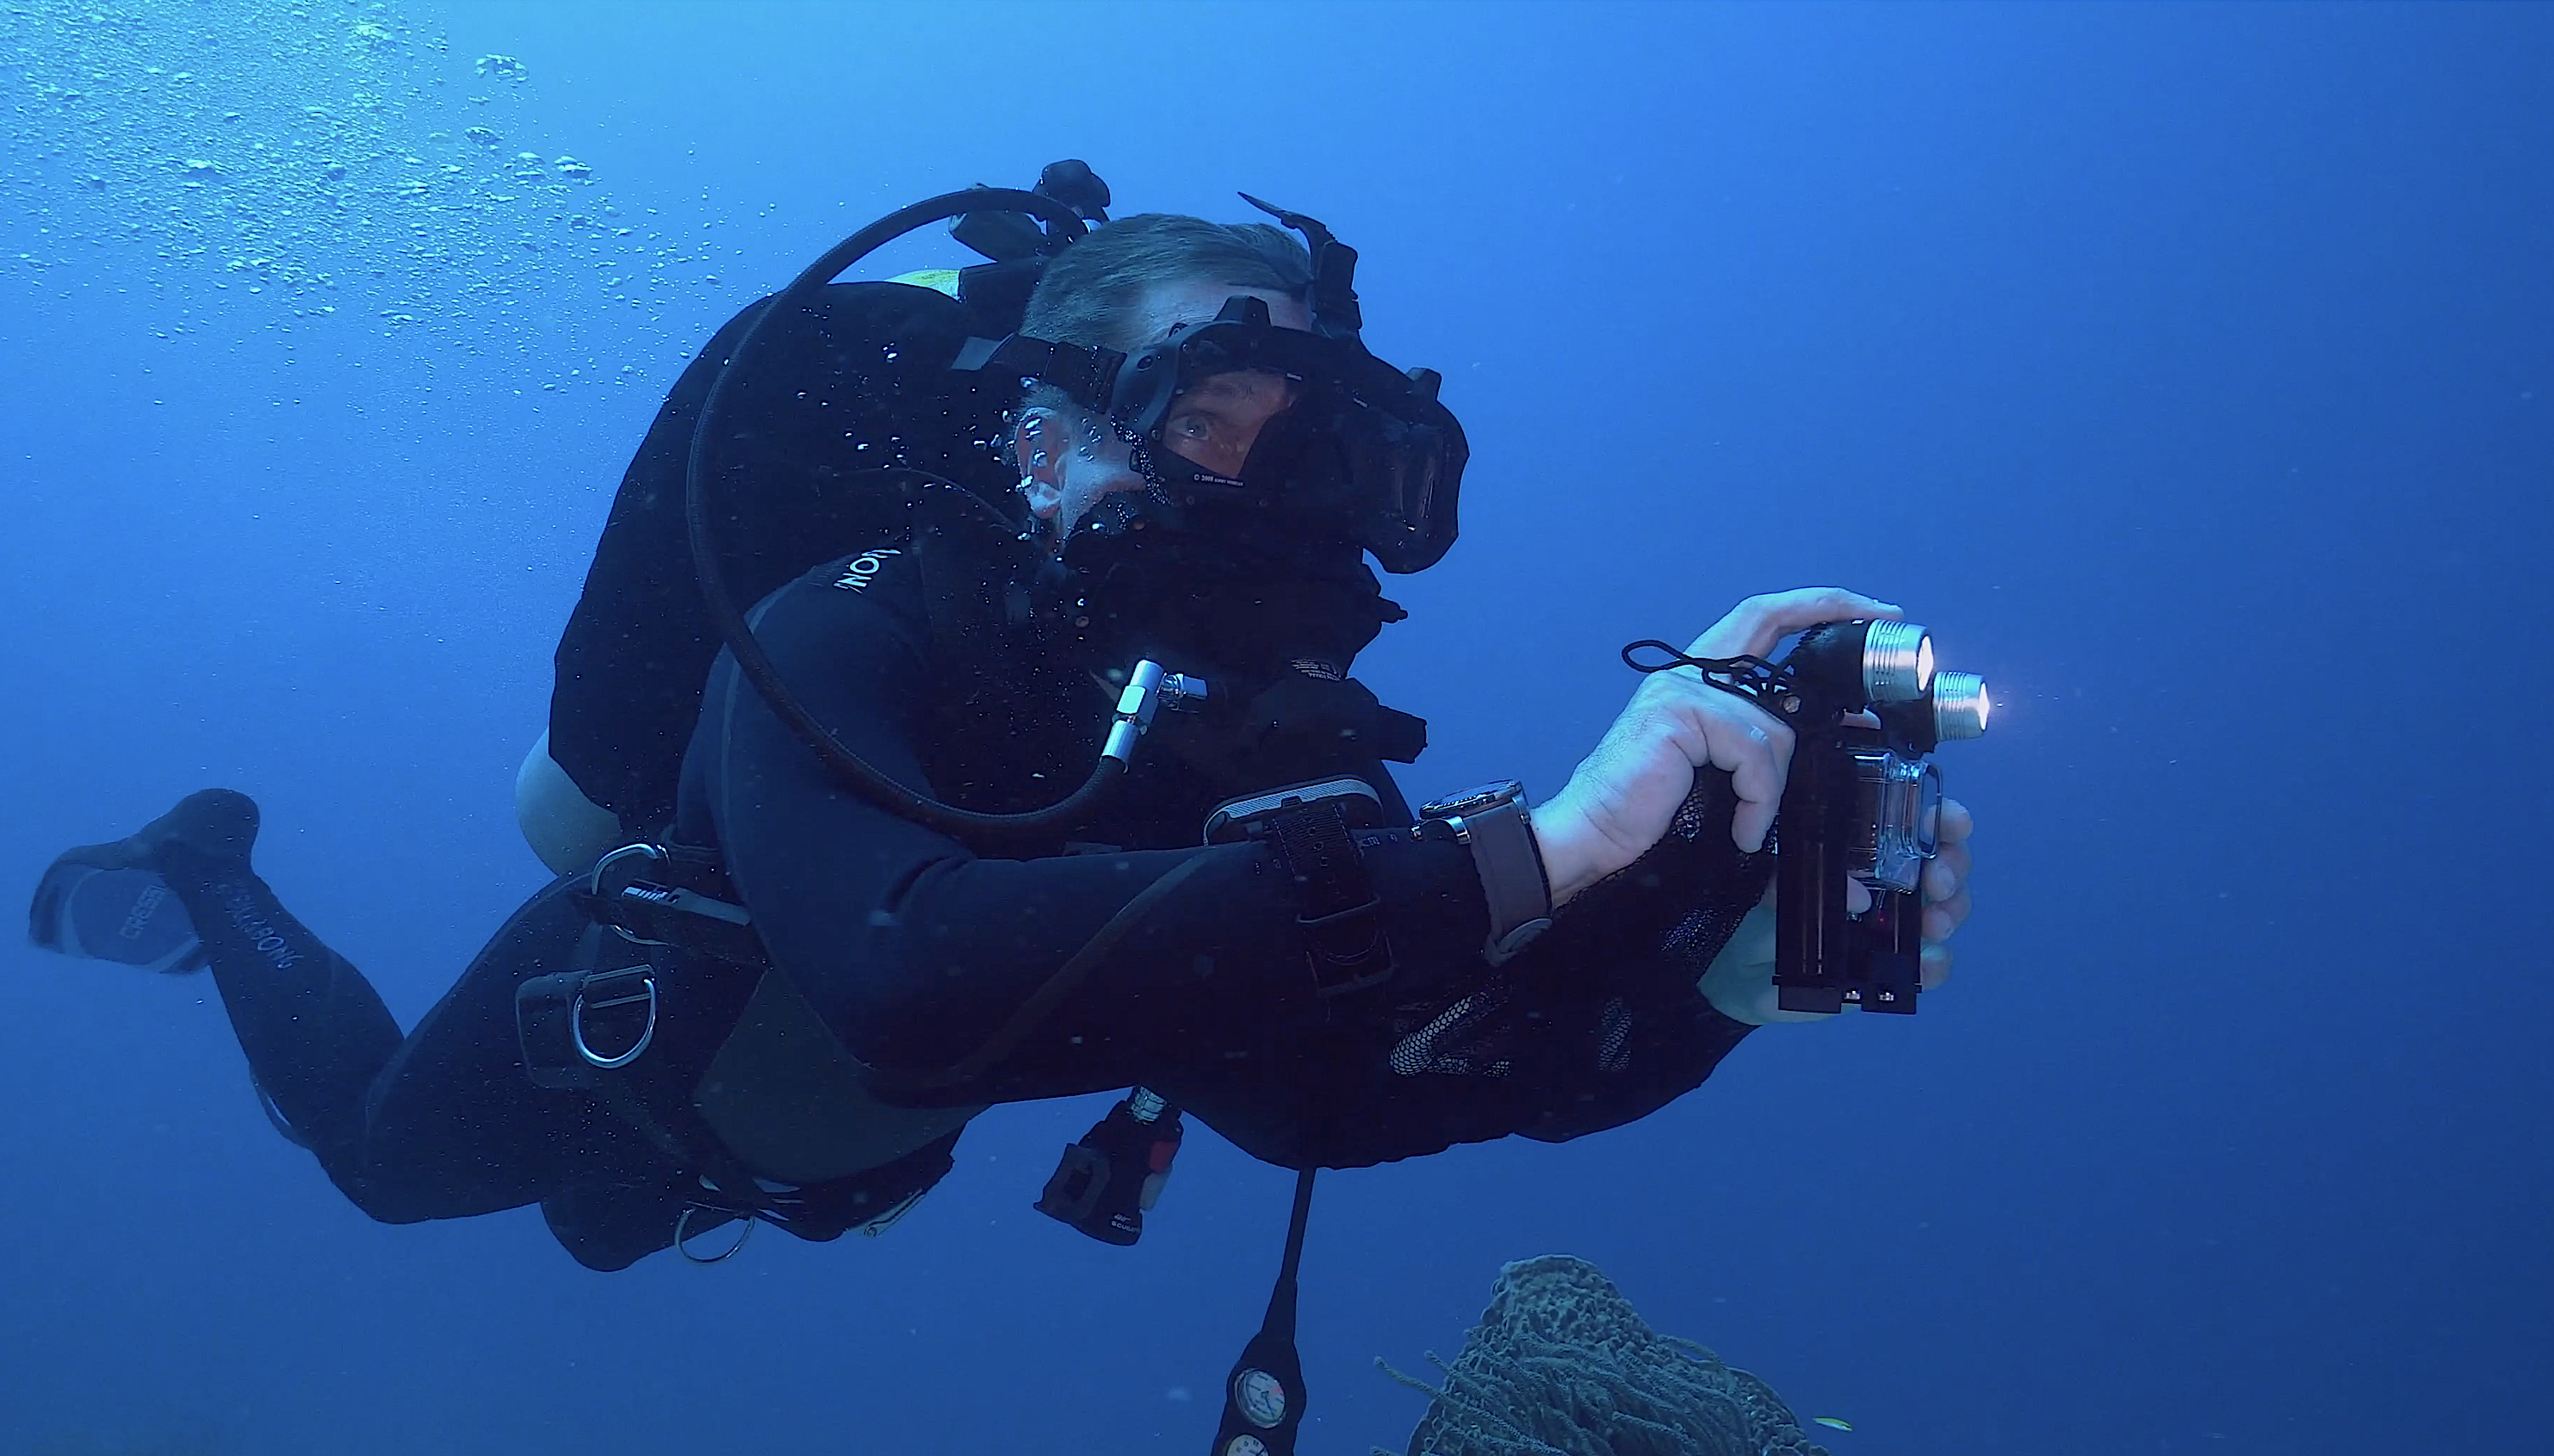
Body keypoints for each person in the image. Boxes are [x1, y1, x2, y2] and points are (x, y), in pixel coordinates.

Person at [28, 186, 1974, 1274]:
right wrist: (1540, 845)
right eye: (1219, 410)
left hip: (805, 1157)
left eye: (1327, 447)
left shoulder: (1259, 747)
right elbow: (903, 977)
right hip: (638, 1028)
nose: (1267, 488)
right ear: (1042, 428)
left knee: (613, 1236)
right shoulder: (840, 620)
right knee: (389, 1165)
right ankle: (212, 870)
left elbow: (1335, 1103)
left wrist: (1723, 972)